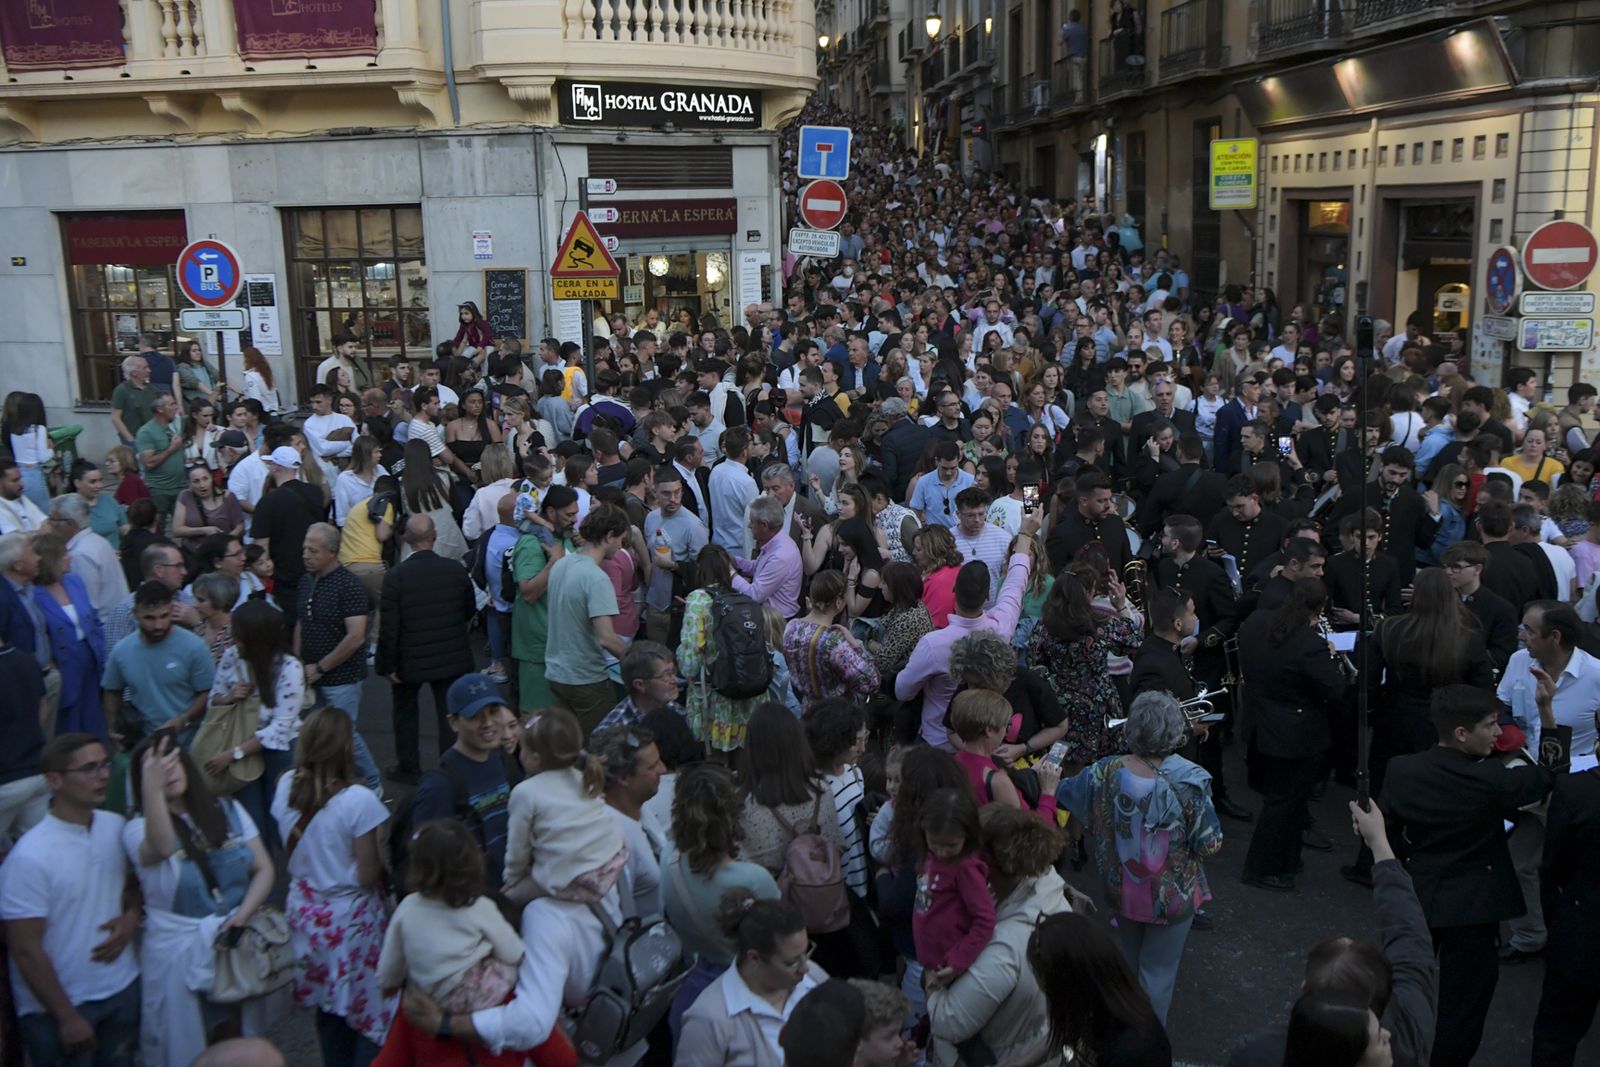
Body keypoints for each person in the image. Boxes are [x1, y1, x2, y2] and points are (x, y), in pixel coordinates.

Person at [1380, 684, 1561, 1067]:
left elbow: (1388, 829)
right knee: (1464, 1006)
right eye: (1491, 725)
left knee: (1407, 982)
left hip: (1422, 892)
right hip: (1476, 906)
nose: (1499, 734)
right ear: (1462, 734)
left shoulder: (1401, 769)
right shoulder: (1493, 780)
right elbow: (1550, 773)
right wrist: (1547, 714)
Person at [1229, 801, 1437, 1067]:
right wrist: (1379, 843)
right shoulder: (1406, 1040)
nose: (1385, 1036)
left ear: (1305, 990)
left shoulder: (1257, 1054)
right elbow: (1410, 937)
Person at [1057, 690, 1223, 1023]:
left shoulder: (1105, 770)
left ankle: (1120, 1032)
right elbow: (1209, 844)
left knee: (1126, 966)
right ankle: (1145, 1043)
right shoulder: (1189, 780)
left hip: (1122, 890)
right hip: (1171, 897)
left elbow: (1065, 794)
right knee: (1158, 975)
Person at [123, 734, 276, 1067]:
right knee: (189, 1047)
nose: (170, 772)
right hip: (178, 956)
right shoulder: (136, 829)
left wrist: (241, 917)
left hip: (233, 947)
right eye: (158, 768)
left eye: (174, 760)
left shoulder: (227, 809)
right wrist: (151, 789)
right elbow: (161, 847)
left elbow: (263, 868)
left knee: (238, 1035)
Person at [1343, 569, 1493, 886]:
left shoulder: (1391, 629)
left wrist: (1370, 711)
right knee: (1439, 790)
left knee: (1384, 790)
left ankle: (1371, 861)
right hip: (1444, 726)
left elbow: (1366, 679)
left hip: (1395, 718)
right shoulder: (1468, 639)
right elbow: (1482, 691)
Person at [0, 734, 141, 1067]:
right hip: (60, 1009)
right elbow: (24, 949)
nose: (104, 775)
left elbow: (135, 888)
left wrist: (131, 918)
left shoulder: (116, 827)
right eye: (89, 768)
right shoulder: (30, 857)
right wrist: (66, 1017)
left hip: (121, 989)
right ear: (54, 780)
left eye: (105, 764)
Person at [270, 707, 395, 1067]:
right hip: (351, 922)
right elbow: (368, 873)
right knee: (368, 1016)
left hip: (306, 915)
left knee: (328, 1012)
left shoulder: (285, 786)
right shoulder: (358, 802)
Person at [926, 806, 1071, 1067]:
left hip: (1002, 1053)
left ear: (989, 865)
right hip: (1037, 1038)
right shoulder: (1047, 882)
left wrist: (930, 980)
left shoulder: (1004, 949)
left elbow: (947, 1022)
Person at [1236, 578, 1350, 892]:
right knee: (1284, 803)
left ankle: (1286, 859)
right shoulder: (1308, 644)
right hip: (1296, 735)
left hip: (1262, 724)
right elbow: (1334, 688)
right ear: (1319, 608)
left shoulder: (1259, 623)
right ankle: (1261, 867)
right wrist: (1330, 656)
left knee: (1286, 801)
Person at [660, 761, 782, 1039]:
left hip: (692, 992)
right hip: (748, 997)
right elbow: (781, 943)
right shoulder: (753, 878)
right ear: (733, 813)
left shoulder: (668, 857)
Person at [897, 535, 1038, 749]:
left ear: (954, 592)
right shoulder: (1000, 628)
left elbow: (903, 691)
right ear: (986, 597)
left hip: (937, 744)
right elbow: (1015, 585)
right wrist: (1026, 535)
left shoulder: (933, 644)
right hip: (983, 744)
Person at [378, 514, 478, 783]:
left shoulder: (396, 576)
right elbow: (469, 608)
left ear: (407, 540)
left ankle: (408, 767)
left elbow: (389, 626)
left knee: (405, 714)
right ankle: (450, 769)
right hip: (450, 653)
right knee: (449, 714)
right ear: (434, 537)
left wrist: (387, 664)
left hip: (409, 658)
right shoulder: (455, 570)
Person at [675, 888, 825, 1067]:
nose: (805, 967)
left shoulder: (814, 978)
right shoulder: (708, 1020)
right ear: (755, 958)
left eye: (806, 952)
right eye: (791, 962)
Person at [204, 599, 303, 855]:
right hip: (241, 742)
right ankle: (264, 876)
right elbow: (213, 697)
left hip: (277, 751)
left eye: (240, 637)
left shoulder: (289, 668)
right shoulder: (231, 656)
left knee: (282, 817)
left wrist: (233, 754)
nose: (235, 642)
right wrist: (228, 697)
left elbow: (280, 728)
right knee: (252, 821)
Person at [501, 706, 626, 908]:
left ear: (534, 758)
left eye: (522, 747)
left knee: (504, 902)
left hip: (569, 877)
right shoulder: (584, 777)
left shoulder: (525, 792)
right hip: (608, 863)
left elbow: (518, 849)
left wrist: (511, 878)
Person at [1015, 910, 1173, 1066]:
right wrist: (1022, 1062)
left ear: (1068, 988)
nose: (1041, 989)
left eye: (1045, 983)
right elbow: (1069, 1032)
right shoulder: (1098, 1006)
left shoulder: (1131, 1053)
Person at [409, 672, 520, 894]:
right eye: (474, 716)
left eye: (493, 711)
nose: (488, 723)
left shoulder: (503, 759)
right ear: (453, 723)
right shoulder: (439, 785)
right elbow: (426, 860)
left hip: (509, 892)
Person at [1024, 566, 1142, 767]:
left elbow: (1034, 662)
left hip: (1060, 706)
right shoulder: (1100, 625)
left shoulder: (1044, 626)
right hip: (1100, 706)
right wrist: (1121, 606)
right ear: (1086, 593)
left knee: (1061, 764)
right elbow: (1133, 641)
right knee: (1104, 767)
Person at [543, 504, 631, 733]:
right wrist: (639, 661)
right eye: (620, 538)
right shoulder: (596, 578)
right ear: (609, 535)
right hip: (585, 678)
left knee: (568, 748)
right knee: (604, 748)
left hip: (555, 674)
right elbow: (606, 638)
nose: (621, 545)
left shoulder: (561, 564)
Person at [101, 580, 215, 743]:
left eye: (164, 616)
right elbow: (112, 691)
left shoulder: (194, 647)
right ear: (135, 613)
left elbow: (207, 692)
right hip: (144, 743)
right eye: (150, 618)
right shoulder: (121, 651)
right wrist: (112, 728)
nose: (158, 625)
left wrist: (184, 719)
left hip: (190, 742)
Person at [591, 724, 669, 920]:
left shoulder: (640, 806)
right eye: (653, 766)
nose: (663, 769)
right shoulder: (611, 840)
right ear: (624, 778)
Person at [782, 570, 879, 705]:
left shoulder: (791, 628)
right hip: (836, 717)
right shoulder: (834, 641)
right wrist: (856, 646)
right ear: (838, 603)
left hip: (807, 711)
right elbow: (871, 682)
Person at [250, 446, 326, 616]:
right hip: (314, 568)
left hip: (284, 577)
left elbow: (261, 547)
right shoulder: (316, 493)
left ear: (276, 467)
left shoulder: (268, 502)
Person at [732, 495, 802, 619]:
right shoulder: (776, 542)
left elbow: (755, 594)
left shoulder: (781, 556)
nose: (749, 526)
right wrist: (736, 562)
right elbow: (760, 568)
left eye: (752, 522)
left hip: (777, 622)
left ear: (764, 525)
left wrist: (730, 573)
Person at [135, 393, 188, 521]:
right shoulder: (146, 431)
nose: (176, 407)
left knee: (186, 524)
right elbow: (149, 463)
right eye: (171, 404)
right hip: (160, 490)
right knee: (158, 527)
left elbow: (199, 414)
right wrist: (171, 449)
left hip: (181, 487)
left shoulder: (176, 425)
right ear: (160, 409)